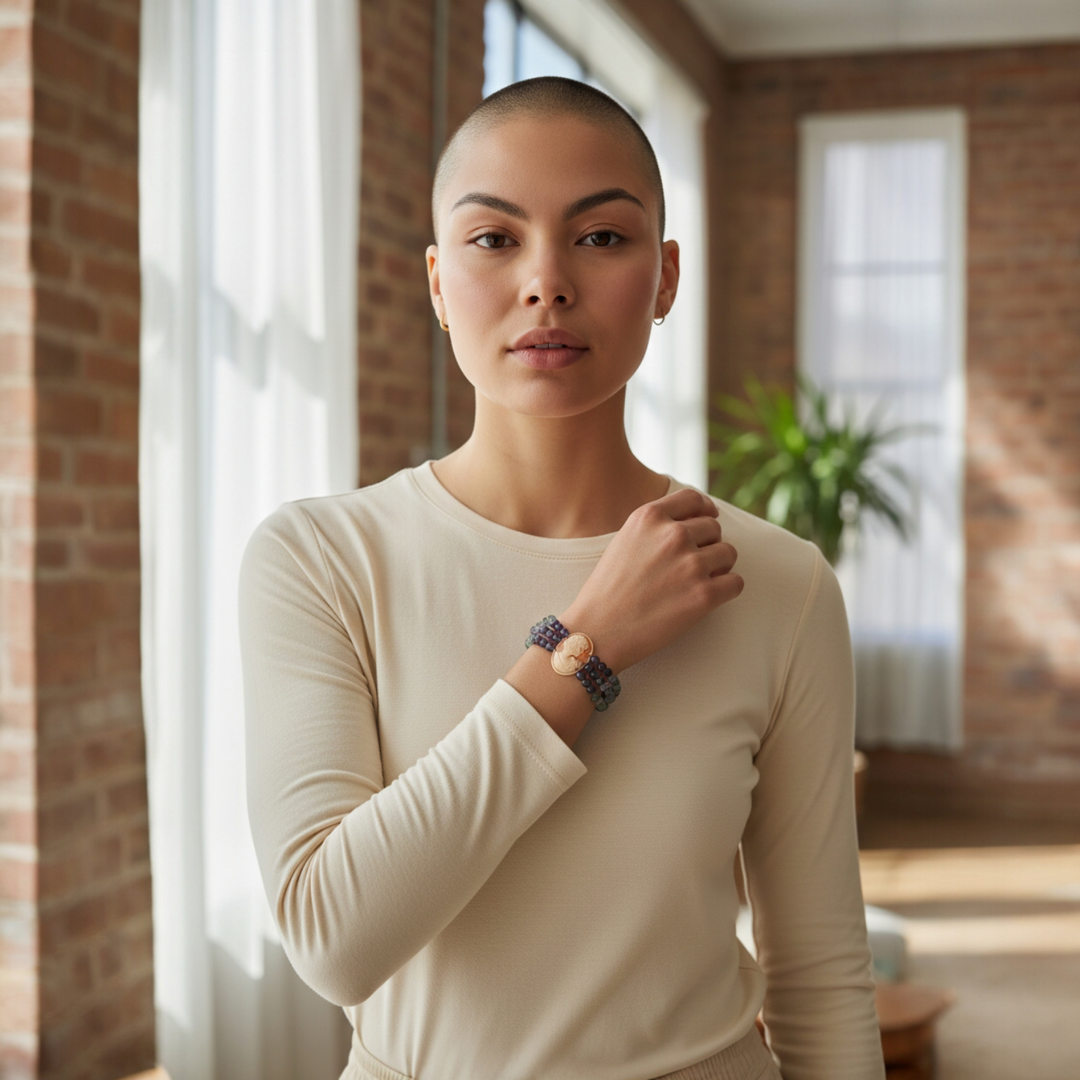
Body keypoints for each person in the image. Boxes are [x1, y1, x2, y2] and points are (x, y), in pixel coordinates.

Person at [239, 76, 885, 1080]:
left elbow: (820, 978)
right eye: (495, 239)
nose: (547, 281)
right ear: (438, 281)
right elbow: (332, 938)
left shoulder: (779, 583)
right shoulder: (322, 559)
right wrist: (586, 649)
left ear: (665, 277)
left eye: (601, 237)